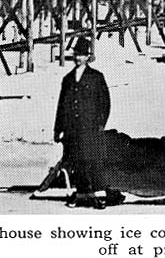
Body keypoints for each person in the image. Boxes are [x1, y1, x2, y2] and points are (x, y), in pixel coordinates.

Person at [54, 36, 110, 209]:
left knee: (92, 162)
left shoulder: (96, 77)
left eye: (82, 55)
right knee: (76, 162)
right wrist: (58, 129)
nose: (78, 58)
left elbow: (105, 103)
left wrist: (100, 124)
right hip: (72, 130)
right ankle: (79, 195)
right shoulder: (68, 79)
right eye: (76, 55)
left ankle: (97, 197)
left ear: (88, 57)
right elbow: (61, 105)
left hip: (90, 129)